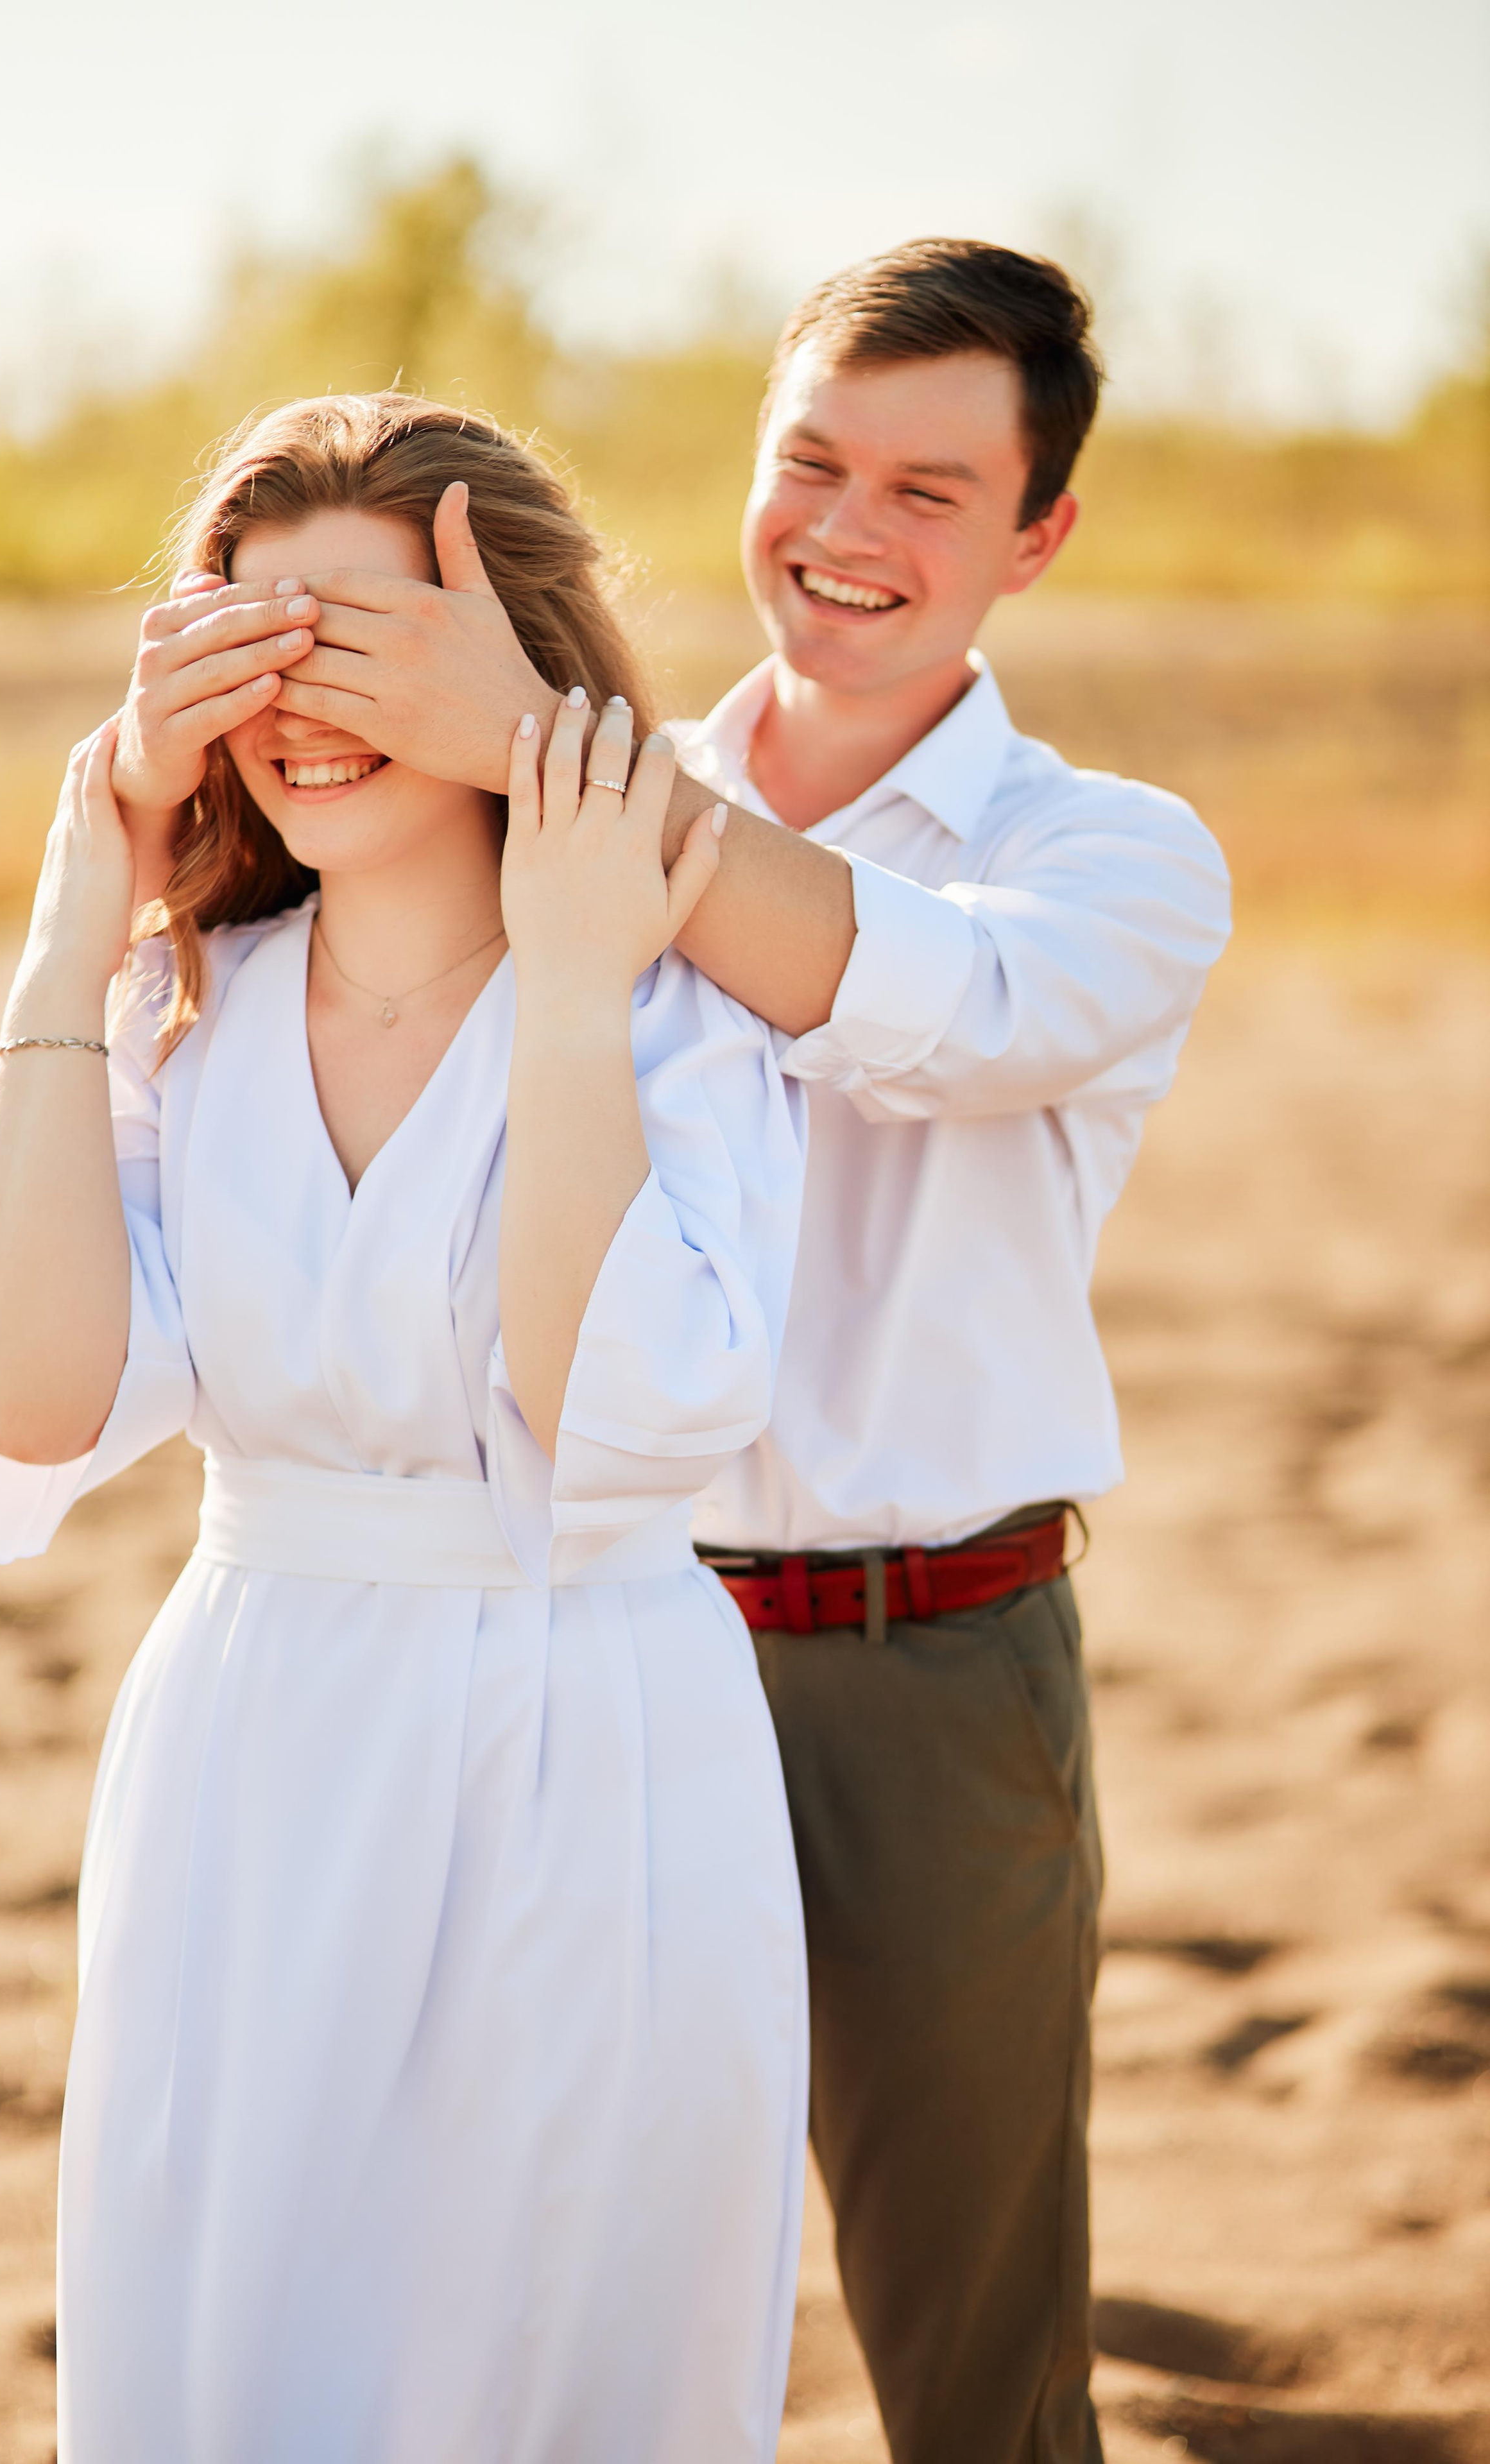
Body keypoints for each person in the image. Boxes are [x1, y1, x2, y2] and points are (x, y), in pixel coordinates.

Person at [214, 241, 1235, 2462]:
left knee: (975, 2369)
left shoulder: (1111, 861)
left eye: (936, 493)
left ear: (1039, 536)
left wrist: (535, 759)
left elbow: (936, 1019)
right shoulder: (557, 792)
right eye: (814, 463)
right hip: (571, 1650)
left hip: (928, 1676)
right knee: (521, 2311)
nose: (853, 533)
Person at [0, 393, 812, 2464]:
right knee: (234, 2355)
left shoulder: (685, 1010)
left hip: (599, 1744)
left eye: (364, 641)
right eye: (248, 639)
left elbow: (617, 1412)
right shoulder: (171, 1015)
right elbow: (30, 1408)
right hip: (259, 1756)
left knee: (563, 2347)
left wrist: (574, 985)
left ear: (511, 667)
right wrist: (76, 919)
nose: (299, 700)